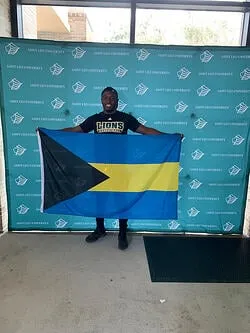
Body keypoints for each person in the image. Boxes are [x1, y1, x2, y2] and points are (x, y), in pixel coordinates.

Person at [62, 86, 165, 250]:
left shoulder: (125, 118)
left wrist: (168, 136)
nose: (109, 101)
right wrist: (49, 133)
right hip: (99, 167)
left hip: (120, 168)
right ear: (101, 100)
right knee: (100, 199)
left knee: (121, 200)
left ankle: (122, 233)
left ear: (117, 101)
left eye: (112, 98)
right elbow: (75, 131)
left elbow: (145, 131)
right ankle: (100, 229)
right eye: (105, 97)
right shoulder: (94, 119)